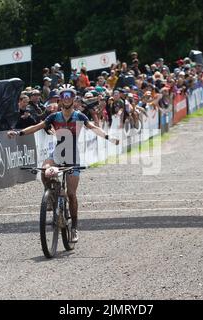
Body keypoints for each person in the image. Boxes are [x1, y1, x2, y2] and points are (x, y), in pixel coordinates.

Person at [7, 84, 119, 243]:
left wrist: (109, 137)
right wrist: (19, 133)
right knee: (44, 170)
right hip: (57, 155)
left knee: (72, 194)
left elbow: (93, 127)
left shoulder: (80, 116)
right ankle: (51, 197)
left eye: (70, 97)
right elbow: (37, 127)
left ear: (73, 99)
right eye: (64, 97)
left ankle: (74, 227)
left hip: (73, 157)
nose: (67, 99)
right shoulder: (54, 117)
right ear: (60, 100)